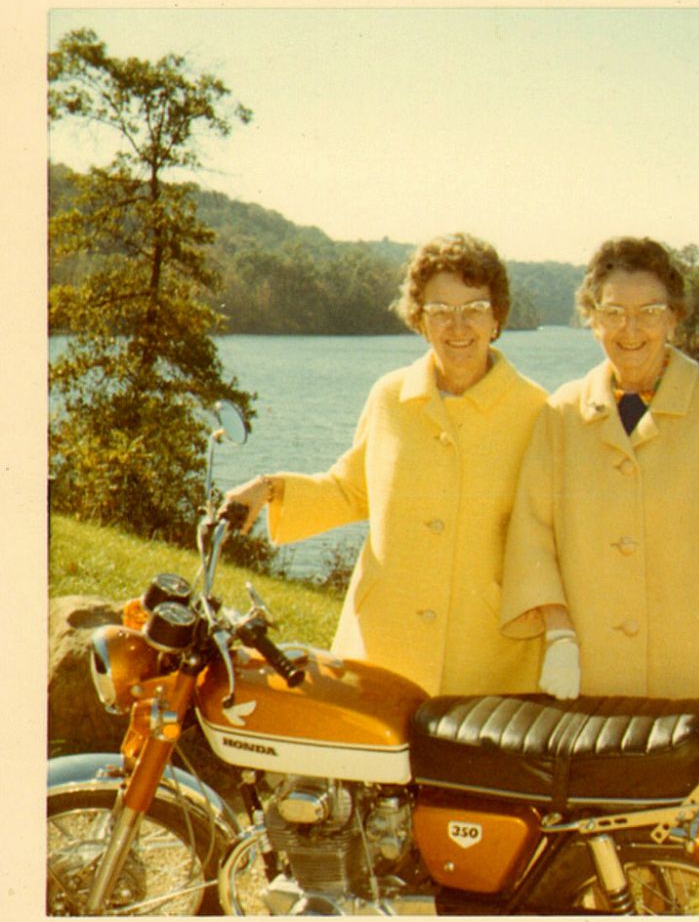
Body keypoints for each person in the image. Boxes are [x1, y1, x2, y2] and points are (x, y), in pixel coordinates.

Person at [499, 236, 699, 714]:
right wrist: (560, 633)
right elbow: (531, 533)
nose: (630, 329)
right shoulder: (562, 412)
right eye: (613, 312)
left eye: (649, 311)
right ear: (591, 319)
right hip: (590, 674)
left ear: (673, 316)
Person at [223, 233, 546, 696]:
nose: (458, 326)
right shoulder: (390, 396)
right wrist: (268, 487)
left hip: (488, 654)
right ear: (419, 318)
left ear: (497, 316)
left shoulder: (536, 410)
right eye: (440, 310)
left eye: (473, 307)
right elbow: (352, 491)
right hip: (383, 641)